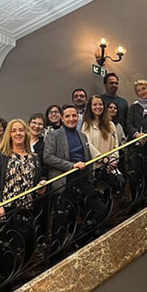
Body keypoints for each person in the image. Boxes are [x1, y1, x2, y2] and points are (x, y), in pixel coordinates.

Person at [43, 105, 108, 252]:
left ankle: (78, 241)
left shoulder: (82, 135)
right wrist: (71, 166)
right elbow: (47, 157)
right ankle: (55, 255)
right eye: (67, 116)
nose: (71, 119)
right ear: (62, 118)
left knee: (101, 210)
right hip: (64, 180)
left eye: (74, 116)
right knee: (62, 219)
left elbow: (88, 157)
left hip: (83, 179)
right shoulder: (54, 135)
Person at [0, 119, 47, 269]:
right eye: (14, 131)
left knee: (25, 249)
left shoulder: (34, 157)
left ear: (26, 133)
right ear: (9, 134)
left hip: (27, 209)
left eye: (21, 130)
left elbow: (36, 181)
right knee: (7, 251)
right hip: (7, 209)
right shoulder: (1, 155)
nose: (18, 133)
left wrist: (41, 187)